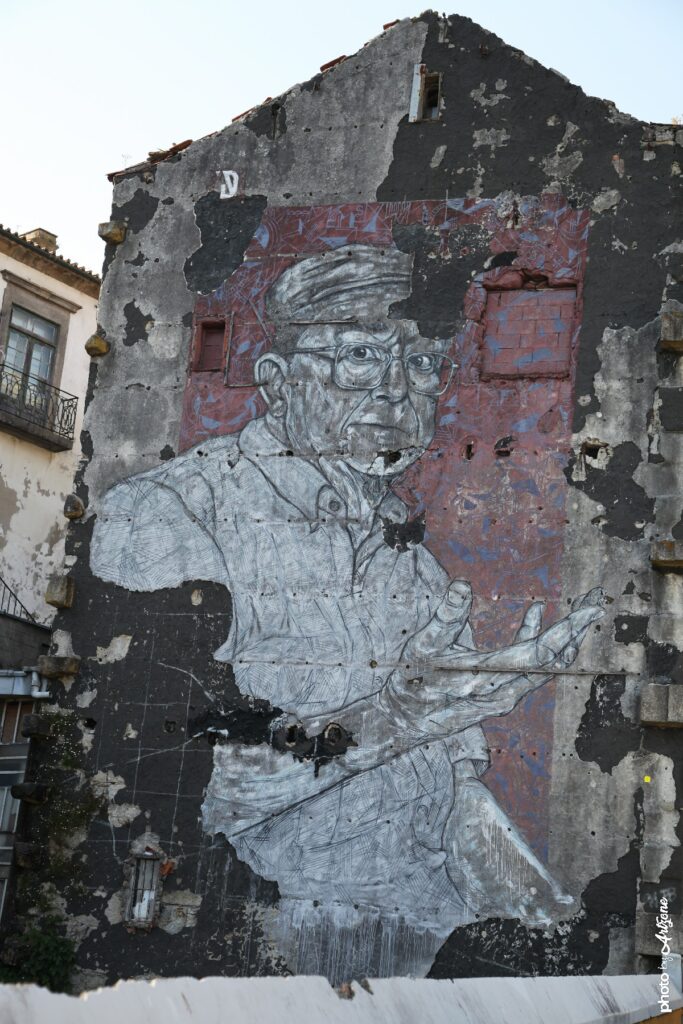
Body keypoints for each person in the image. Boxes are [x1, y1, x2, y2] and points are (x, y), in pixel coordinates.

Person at [91, 244, 603, 967]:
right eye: (359, 356)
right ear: (277, 382)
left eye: (421, 364)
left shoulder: (413, 560)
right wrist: (399, 714)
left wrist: (544, 929)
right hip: (271, 944)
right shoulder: (169, 517)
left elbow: (456, 799)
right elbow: (173, 779)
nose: (396, 391)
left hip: (420, 937)